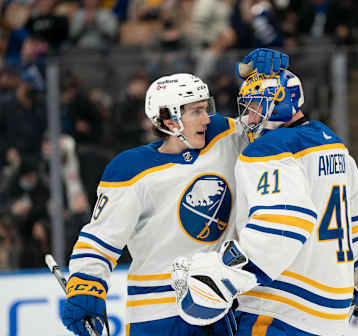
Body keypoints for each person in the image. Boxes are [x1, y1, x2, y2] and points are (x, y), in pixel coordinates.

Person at [60, 49, 290, 336]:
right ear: (169, 121)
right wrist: (86, 286)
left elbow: (275, 128)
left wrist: (266, 79)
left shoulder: (226, 137)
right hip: (156, 314)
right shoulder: (130, 169)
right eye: (196, 111)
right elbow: (100, 239)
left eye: (207, 108)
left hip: (217, 306)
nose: (207, 118)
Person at [172, 60, 358, 335]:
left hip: (281, 311)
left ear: (279, 102)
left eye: (256, 105)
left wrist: (222, 274)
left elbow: (284, 223)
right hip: (332, 314)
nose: (249, 116)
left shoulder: (269, 149)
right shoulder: (332, 144)